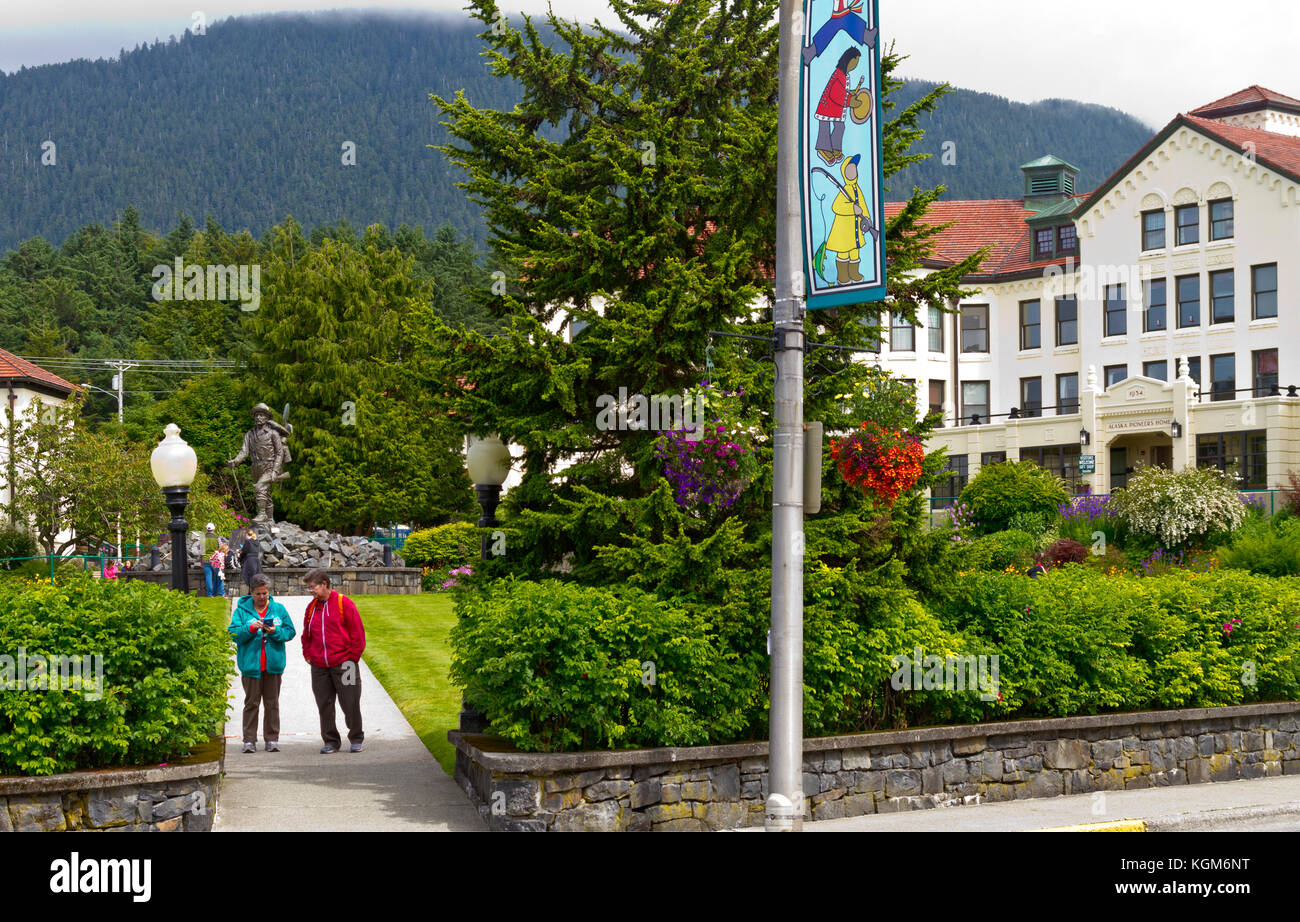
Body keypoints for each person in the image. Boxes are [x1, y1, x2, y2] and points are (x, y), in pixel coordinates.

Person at [228, 574, 296, 753]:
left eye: (265, 593)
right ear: (251, 592)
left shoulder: (278, 609)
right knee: (252, 703)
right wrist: (250, 628)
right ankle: (249, 740)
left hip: (273, 666)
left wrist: (275, 631)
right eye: (258, 594)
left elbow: (290, 632)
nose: (262, 597)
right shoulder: (241, 611)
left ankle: (272, 739)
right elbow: (233, 634)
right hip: (251, 666)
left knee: (272, 703)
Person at [300, 568, 366, 754]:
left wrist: (352, 658)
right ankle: (330, 741)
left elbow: (358, 634)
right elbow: (306, 634)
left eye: (313, 587)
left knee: (351, 702)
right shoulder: (312, 607)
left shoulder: (344, 603)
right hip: (320, 666)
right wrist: (308, 655)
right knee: (324, 704)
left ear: (324, 585)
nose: (310, 591)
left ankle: (356, 738)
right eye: (309, 588)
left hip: (345, 664)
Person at [238, 529, 263, 594]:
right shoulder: (257, 542)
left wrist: (239, 557)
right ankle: (252, 592)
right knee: (255, 577)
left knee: (250, 577)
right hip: (256, 561)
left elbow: (244, 552)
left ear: (247, 534)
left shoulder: (248, 542)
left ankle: (251, 593)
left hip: (249, 561)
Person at [202, 523, 220, 597]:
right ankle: (217, 593)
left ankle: (210, 594)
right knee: (217, 576)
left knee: (208, 577)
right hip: (215, 559)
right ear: (214, 529)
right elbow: (220, 548)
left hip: (205, 560)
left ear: (207, 529)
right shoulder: (217, 537)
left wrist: (200, 561)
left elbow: (201, 550)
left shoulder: (203, 538)